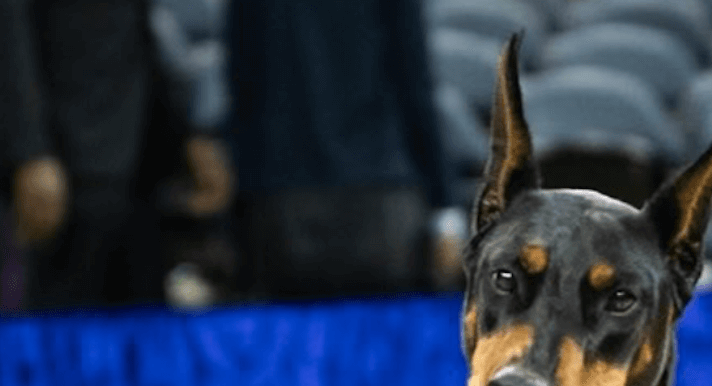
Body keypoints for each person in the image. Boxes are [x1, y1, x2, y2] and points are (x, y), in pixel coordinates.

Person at [0, 0, 234, 311]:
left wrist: (194, 132)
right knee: (54, 329)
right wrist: (29, 150)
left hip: (146, 157)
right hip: (65, 158)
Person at [227, 0, 456, 301]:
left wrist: (237, 217)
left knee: (291, 342)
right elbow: (413, 81)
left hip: (282, 202)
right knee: (389, 341)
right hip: (380, 194)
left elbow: (243, 85)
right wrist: (445, 208)